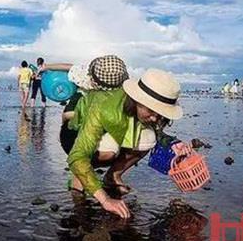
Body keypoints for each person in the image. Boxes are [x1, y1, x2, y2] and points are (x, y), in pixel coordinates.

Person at [65, 68, 189, 219]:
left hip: (114, 127)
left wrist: (173, 143)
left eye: (160, 113)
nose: (155, 119)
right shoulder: (103, 108)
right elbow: (77, 156)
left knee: (149, 139)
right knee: (107, 152)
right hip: (75, 134)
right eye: (151, 111)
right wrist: (105, 199)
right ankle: (80, 179)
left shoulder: (146, 113)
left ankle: (112, 176)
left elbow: (155, 130)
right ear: (137, 100)